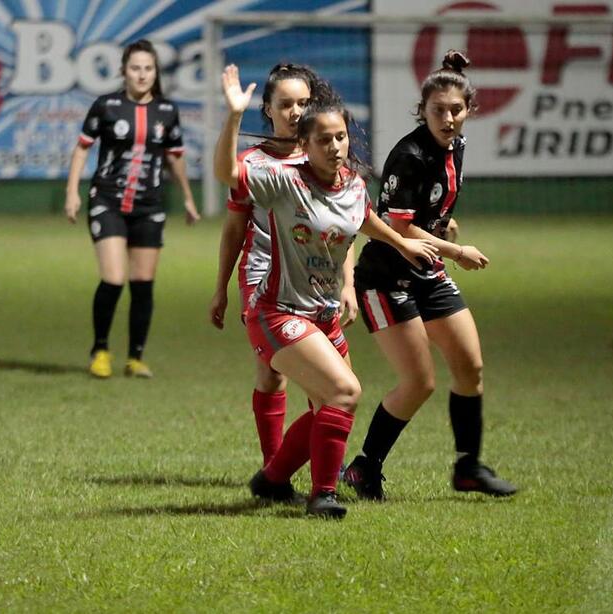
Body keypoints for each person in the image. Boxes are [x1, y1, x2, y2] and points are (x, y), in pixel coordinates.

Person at [213, 64, 438, 518]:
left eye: (341, 137)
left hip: (322, 310)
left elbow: (363, 219)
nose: (335, 146)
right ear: (305, 144)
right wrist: (233, 117)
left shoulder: (352, 184)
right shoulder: (281, 180)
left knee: (328, 405)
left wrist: (404, 245)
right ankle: (323, 495)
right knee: (342, 392)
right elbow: (226, 176)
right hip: (276, 307)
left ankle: (272, 479)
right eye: (324, 139)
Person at [342, 51, 517, 501]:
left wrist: (442, 226)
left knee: (470, 367)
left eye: (456, 109)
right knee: (419, 382)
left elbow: (426, 212)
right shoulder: (410, 155)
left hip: (426, 271)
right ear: (422, 111)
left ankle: (468, 467)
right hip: (385, 279)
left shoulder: (454, 144)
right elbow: (396, 224)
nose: (448, 117)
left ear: (469, 110)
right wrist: (456, 249)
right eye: (437, 110)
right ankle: (364, 467)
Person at [208, 63, 358, 473]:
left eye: (304, 103)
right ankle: (274, 465)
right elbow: (235, 227)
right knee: (273, 373)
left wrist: (348, 281)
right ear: (268, 110)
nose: (296, 112)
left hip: (317, 278)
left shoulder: (328, 152)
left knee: (322, 371)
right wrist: (221, 287)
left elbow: (343, 228)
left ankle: (326, 462)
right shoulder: (253, 163)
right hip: (264, 278)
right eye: (286, 104)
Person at [64, 40, 201, 378]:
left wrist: (187, 197)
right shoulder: (106, 105)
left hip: (149, 206)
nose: (142, 75)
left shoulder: (167, 111)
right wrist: (72, 192)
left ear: (155, 73)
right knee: (113, 278)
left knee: (143, 283)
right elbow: (82, 149)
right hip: (107, 201)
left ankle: (135, 357)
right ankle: (100, 350)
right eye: (135, 68)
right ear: (123, 71)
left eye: (148, 69)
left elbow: (174, 157)